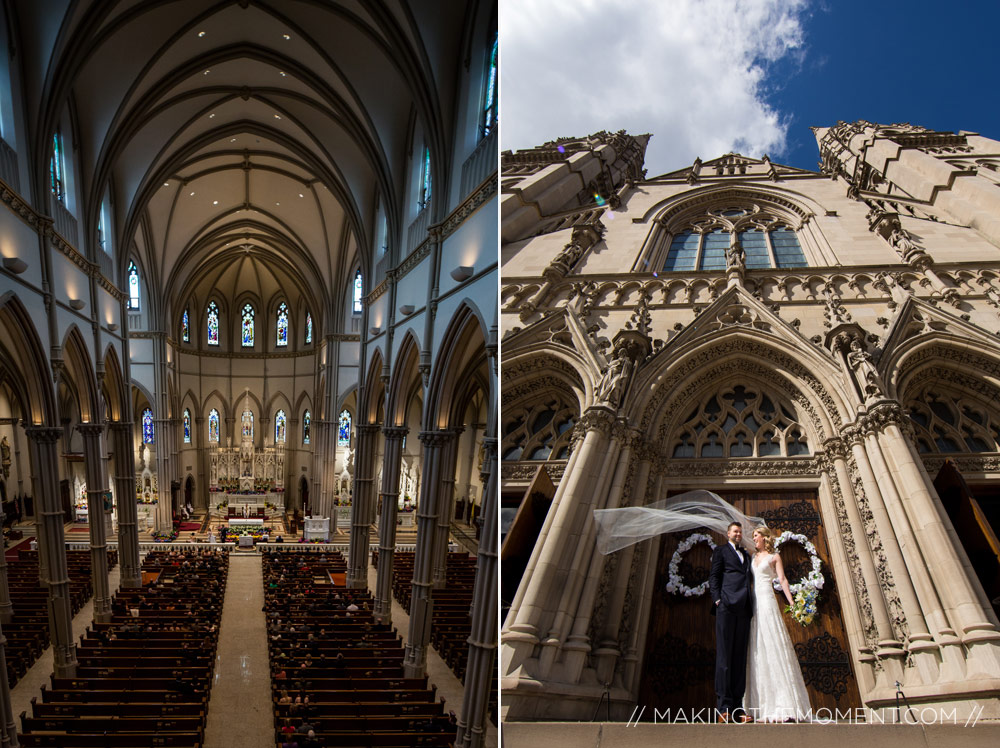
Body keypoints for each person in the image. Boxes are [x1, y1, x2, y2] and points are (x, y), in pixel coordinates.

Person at [745, 526, 811, 722]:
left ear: (765, 538)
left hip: (767, 600)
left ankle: (784, 704)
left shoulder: (774, 557)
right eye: (753, 536)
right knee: (758, 648)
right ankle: (761, 705)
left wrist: (792, 603)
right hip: (753, 602)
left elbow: (782, 579)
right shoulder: (752, 557)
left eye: (756, 536)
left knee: (772, 643)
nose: (754, 538)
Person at [709, 521, 754, 723]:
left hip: (744, 609)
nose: (738, 534)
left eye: (740, 531)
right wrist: (718, 600)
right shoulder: (721, 551)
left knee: (738, 658)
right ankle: (724, 707)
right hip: (726, 606)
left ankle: (738, 708)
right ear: (728, 533)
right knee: (725, 657)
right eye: (735, 531)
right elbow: (714, 577)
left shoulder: (746, 554)